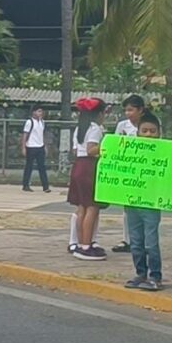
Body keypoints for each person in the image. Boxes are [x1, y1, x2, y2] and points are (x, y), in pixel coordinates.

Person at [124, 112, 165, 291]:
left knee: (151, 242)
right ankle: (140, 273)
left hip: (152, 203)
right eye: (145, 131)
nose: (148, 134)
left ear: (159, 133)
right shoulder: (128, 152)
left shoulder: (165, 154)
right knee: (136, 241)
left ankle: (155, 276)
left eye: (152, 131)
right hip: (132, 202)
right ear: (138, 133)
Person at [68, 97, 108, 261]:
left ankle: (80, 243)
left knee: (82, 207)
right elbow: (92, 150)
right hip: (89, 167)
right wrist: (108, 146)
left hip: (78, 165)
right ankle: (86, 245)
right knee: (92, 207)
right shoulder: (96, 129)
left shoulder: (80, 128)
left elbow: (76, 150)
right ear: (99, 114)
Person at [111, 95, 146, 253]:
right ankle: (128, 240)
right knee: (127, 207)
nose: (128, 113)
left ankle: (143, 240)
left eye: (131, 110)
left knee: (143, 207)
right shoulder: (122, 126)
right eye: (126, 110)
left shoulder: (148, 125)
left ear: (140, 110)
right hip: (128, 170)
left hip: (145, 170)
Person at [21, 105, 50, 193]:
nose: (40, 113)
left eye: (41, 111)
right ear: (33, 112)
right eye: (39, 111)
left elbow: (42, 134)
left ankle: (45, 186)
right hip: (31, 146)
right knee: (29, 166)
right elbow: (25, 135)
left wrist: (45, 146)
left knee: (42, 167)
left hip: (40, 146)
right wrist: (23, 147)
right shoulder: (29, 122)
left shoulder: (42, 122)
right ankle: (25, 185)